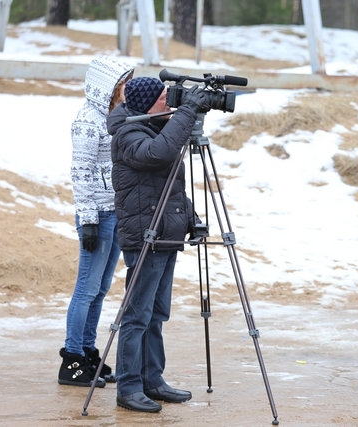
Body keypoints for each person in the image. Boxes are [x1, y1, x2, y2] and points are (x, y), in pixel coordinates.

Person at [107, 77, 208, 412]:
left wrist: (191, 219)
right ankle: (129, 386)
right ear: (148, 103)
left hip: (164, 232)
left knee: (156, 313)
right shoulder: (129, 134)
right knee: (137, 314)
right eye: (165, 97)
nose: (171, 101)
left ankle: (153, 379)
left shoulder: (155, 126)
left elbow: (168, 187)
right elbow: (157, 154)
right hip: (144, 236)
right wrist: (188, 112)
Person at [59, 55, 134, 388]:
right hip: (98, 216)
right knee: (86, 289)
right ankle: (72, 360)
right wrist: (88, 219)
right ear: (111, 86)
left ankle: (89, 351)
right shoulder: (88, 120)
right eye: (125, 83)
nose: (129, 88)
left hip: (115, 212)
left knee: (101, 289)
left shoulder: (114, 117)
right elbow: (81, 172)